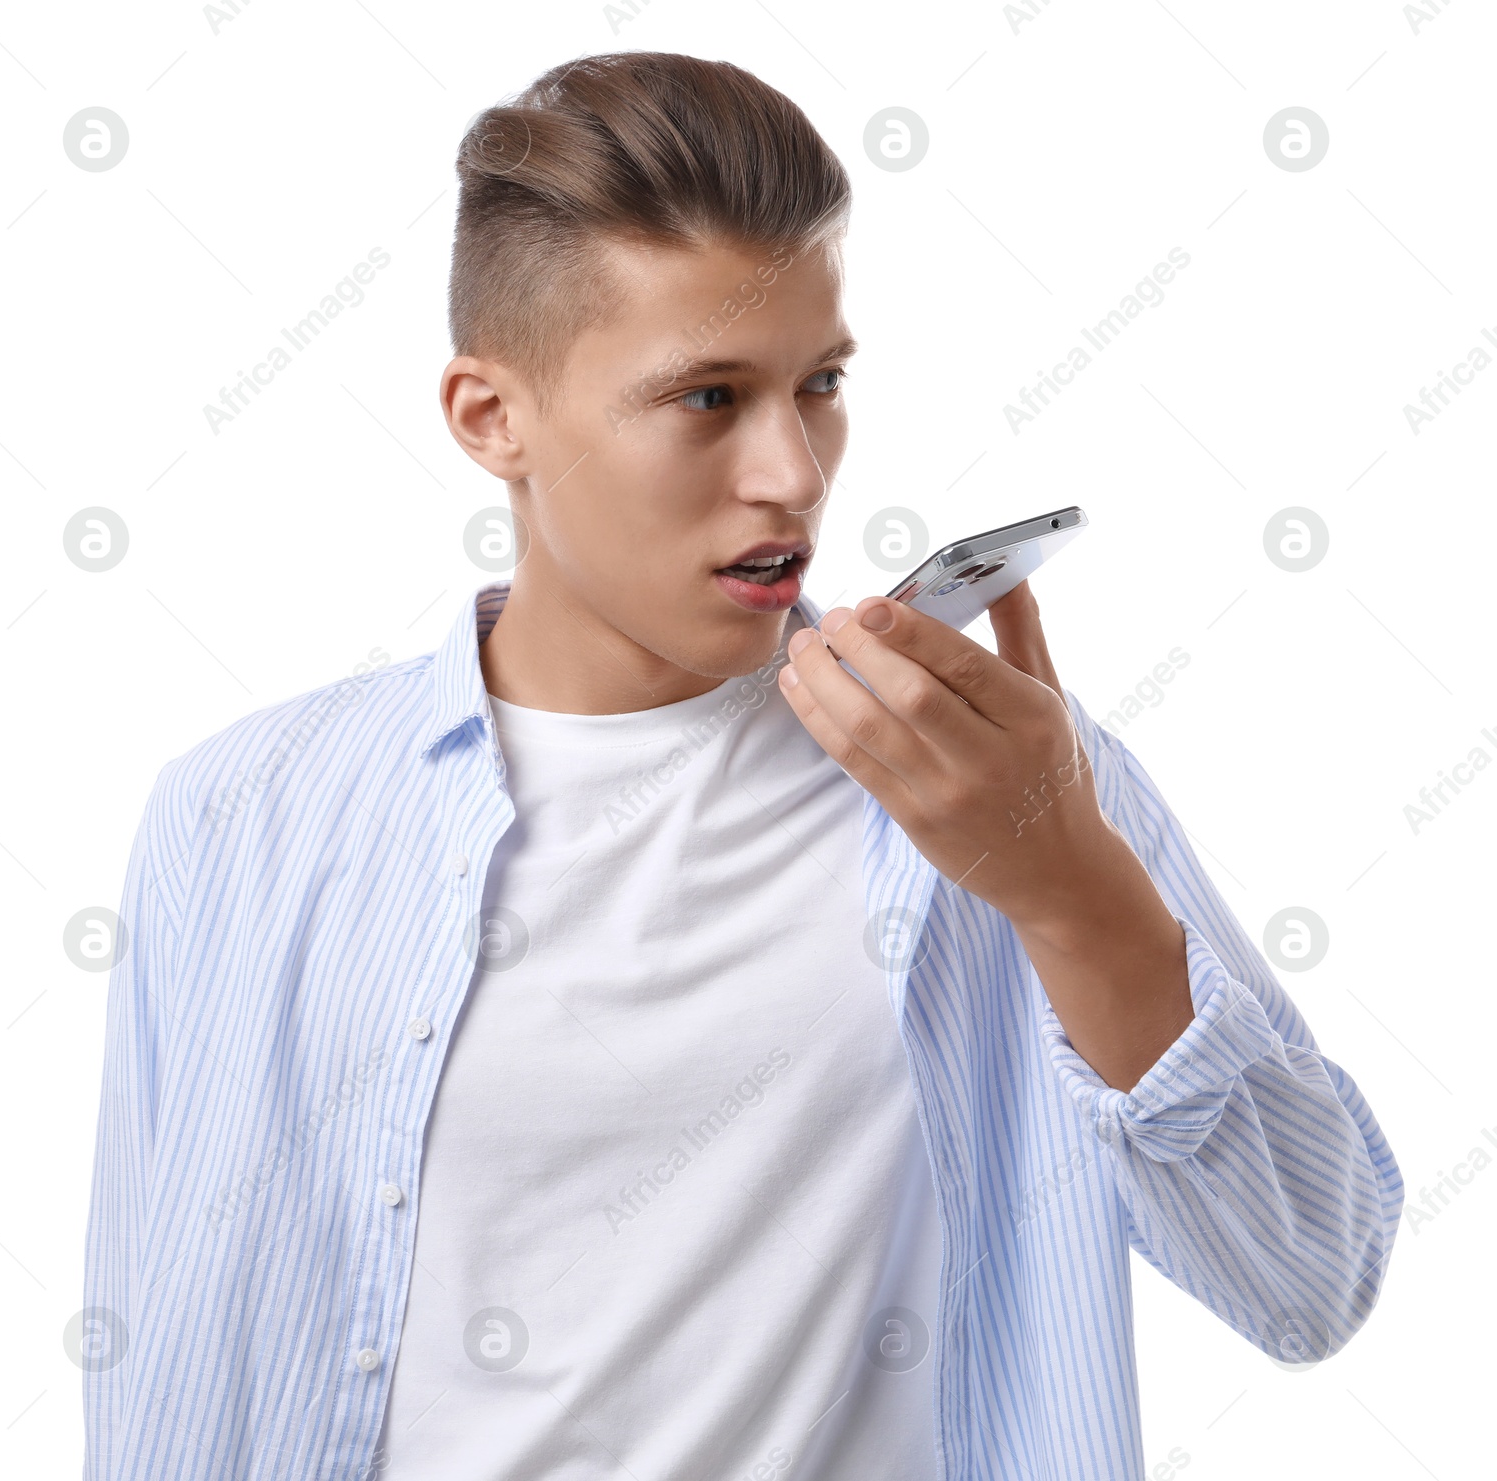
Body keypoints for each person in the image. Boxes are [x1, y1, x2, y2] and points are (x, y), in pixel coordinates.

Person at [81, 50, 1402, 1481]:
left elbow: (1309, 1282)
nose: (794, 472)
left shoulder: (1000, 771)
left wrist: (1073, 889)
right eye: (709, 398)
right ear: (491, 418)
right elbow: (168, 1359)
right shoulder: (245, 815)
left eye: (819, 383)